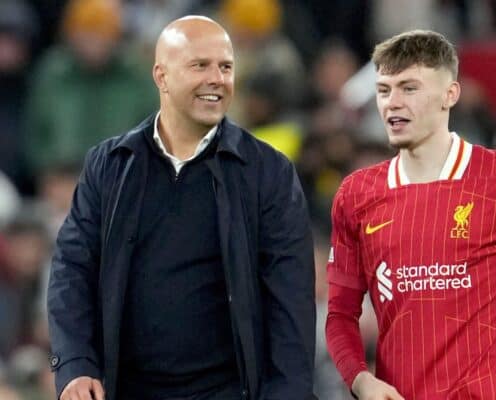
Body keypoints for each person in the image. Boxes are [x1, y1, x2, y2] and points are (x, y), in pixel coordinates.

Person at [47, 16, 316, 400]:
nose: (217, 78)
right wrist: (75, 365)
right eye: (200, 65)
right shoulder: (108, 165)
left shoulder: (268, 172)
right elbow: (72, 270)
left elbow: (291, 302)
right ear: (161, 76)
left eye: (226, 67)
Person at [325, 30, 496, 400]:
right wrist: (361, 379)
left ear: (449, 95)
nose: (392, 103)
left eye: (409, 88)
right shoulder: (356, 194)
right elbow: (341, 314)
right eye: (384, 90)